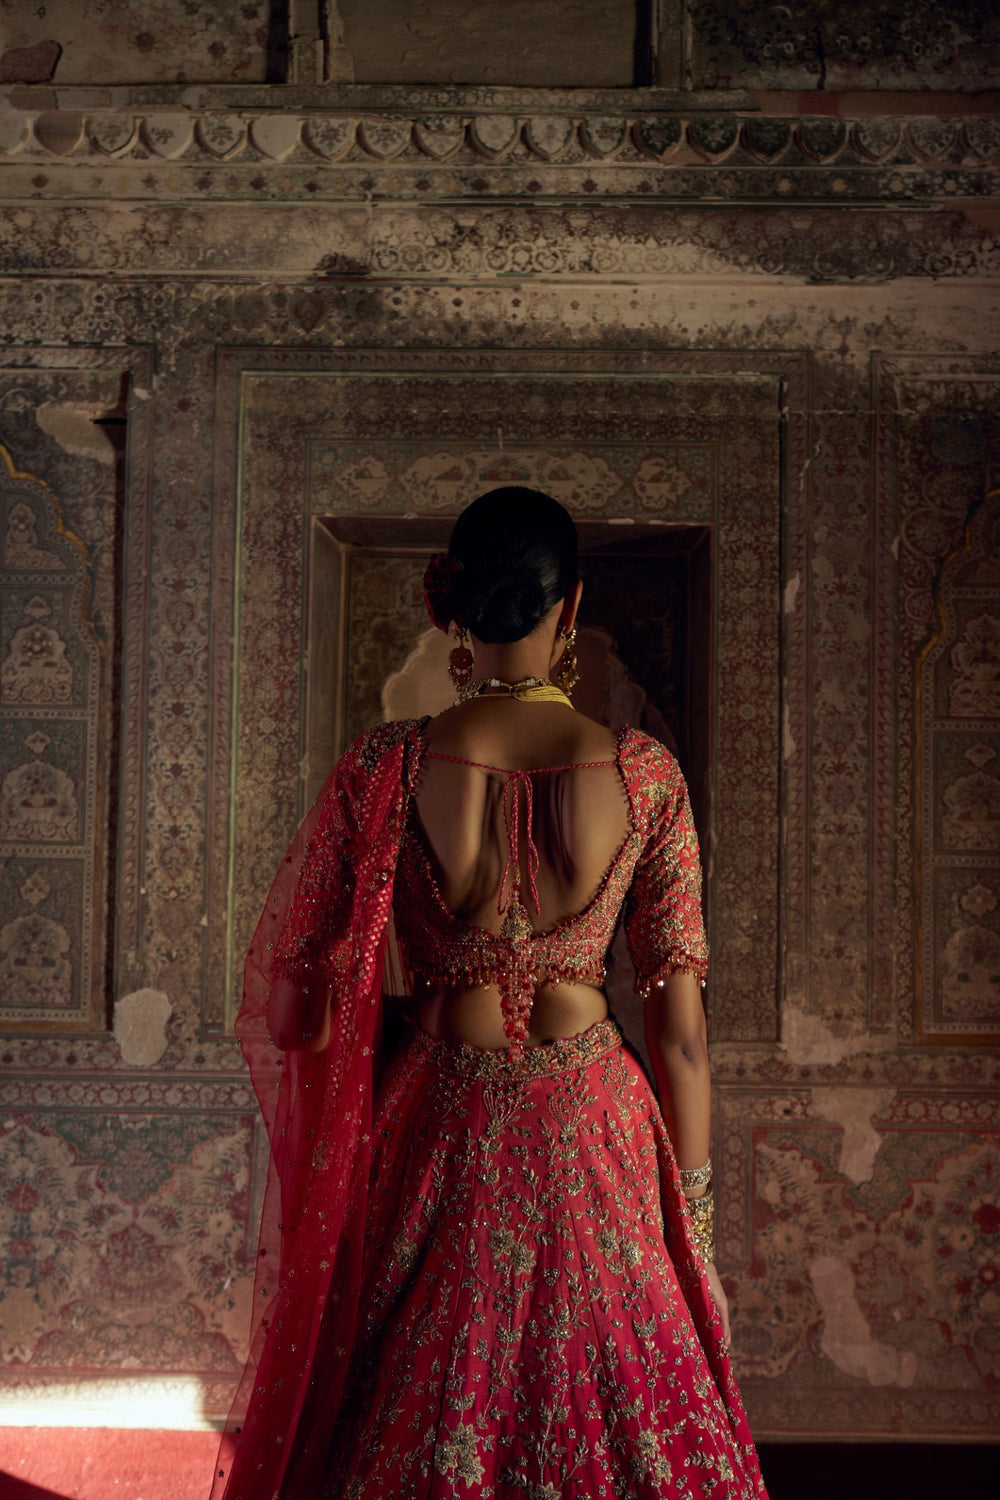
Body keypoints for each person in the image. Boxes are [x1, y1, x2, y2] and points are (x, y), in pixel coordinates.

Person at [212, 487, 768, 1500]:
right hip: (596, 1124)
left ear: (449, 606)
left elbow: (296, 1019)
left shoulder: (385, 767)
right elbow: (680, 1036)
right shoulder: (645, 778)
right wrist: (693, 1228)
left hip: (436, 1117)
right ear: (572, 608)